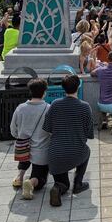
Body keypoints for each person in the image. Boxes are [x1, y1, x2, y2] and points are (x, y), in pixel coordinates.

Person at [44, 75, 94, 207]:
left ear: (62, 87)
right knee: (87, 151)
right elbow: (89, 134)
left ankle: (58, 188)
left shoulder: (54, 104)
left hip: (55, 154)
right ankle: (78, 183)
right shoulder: (85, 107)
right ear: (79, 86)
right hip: (76, 152)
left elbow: (47, 129)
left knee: (63, 184)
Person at [10, 78, 50, 200]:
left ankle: (19, 177)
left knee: (25, 157)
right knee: (40, 177)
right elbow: (51, 131)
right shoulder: (48, 108)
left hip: (23, 147)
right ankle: (31, 183)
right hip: (41, 150)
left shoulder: (20, 108)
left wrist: (20, 136)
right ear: (44, 92)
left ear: (30, 92)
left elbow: (13, 129)